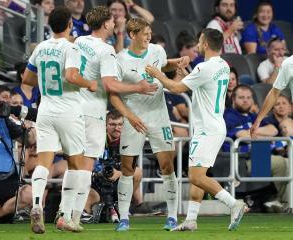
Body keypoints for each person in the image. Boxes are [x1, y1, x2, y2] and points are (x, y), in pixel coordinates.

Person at [146, 28, 247, 231]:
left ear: (206, 44)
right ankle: (191, 220)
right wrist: (188, 75)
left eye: (200, 41)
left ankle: (233, 204)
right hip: (215, 126)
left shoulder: (204, 67)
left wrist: (157, 74)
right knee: (198, 174)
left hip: (206, 129)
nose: (197, 45)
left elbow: (175, 89)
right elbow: (202, 85)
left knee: (195, 176)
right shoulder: (223, 66)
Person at [73, 6, 157, 226]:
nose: (114, 23)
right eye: (111, 21)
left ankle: (68, 210)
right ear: (106, 24)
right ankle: (76, 212)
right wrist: (138, 87)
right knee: (87, 164)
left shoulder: (80, 41)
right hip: (92, 111)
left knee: (75, 163)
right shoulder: (106, 50)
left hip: (73, 107)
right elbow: (110, 85)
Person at [110, 17, 190, 231]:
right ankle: (124, 218)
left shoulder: (157, 51)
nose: (148, 37)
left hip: (159, 116)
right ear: (132, 35)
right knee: (127, 168)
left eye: (149, 33)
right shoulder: (120, 59)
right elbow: (113, 94)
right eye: (144, 34)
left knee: (167, 165)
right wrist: (130, 116)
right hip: (134, 118)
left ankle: (172, 216)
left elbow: (164, 65)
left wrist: (177, 62)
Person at [22, 6, 97, 234]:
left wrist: (45, 81)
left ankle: (36, 204)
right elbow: (72, 76)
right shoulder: (71, 47)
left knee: (43, 161)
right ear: (69, 25)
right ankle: (64, 216)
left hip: (45, 110)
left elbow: (26, 78)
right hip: (69, 111)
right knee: (75, 163)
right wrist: (89, 84)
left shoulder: (41, 48)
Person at [226, 84, 287, 210]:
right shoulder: (229, 116)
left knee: (287, 161)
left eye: (248, 97)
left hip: (260, 154)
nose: (245, 100)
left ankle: (277, 200)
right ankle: (285, 203)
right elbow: (242, 135)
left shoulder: (253, 116)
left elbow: (273, 130)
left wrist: (253, 132)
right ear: (233, 99)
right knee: (282, 162)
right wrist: (261, 135)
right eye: (241, 97)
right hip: (241, 161)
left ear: (253, 100)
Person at [0, 85, 33, 223]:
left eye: (9, 99)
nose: (8, 102)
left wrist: (28, 128)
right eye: (4, 98)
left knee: (29, 194)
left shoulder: (6, 122)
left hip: (9, 180)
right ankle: (4, 212)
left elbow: (29, 140)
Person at [251, 54, 293, 137]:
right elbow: (274, 93)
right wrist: (258, 120)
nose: (281, 106)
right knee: (288, 126)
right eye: (278, 104)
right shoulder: (289, 63)